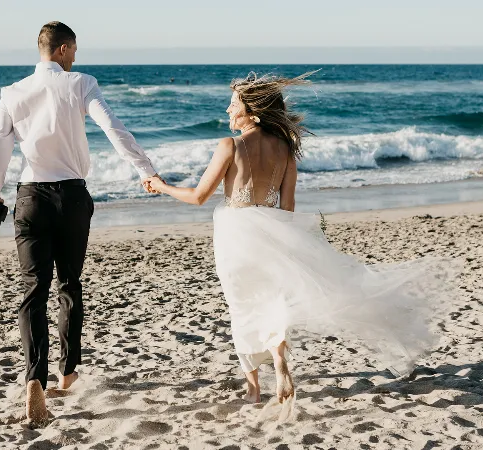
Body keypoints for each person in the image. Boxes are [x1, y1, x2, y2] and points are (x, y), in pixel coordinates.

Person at [147, 72, 455, 404]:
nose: (227, 111)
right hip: (272, 230)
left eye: (233, 104)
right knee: (272, 300)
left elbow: (198, 196)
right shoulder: (285, 149)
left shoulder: (230, 145)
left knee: (242, 305)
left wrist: (160, 185)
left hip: (235, 233)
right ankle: (279, 359)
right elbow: (287, 207)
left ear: (253, 112)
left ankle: (253, 388)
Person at [0, 21, 161, 424]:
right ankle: (69, 373)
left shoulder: (12, 93)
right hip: (73, 197)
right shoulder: (80, 83)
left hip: (30, 198)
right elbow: (112, 128)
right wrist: (145, 169)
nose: (76, 57)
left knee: (32, 290)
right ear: (63, 49)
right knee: (69, 284)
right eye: (74, 50)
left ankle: (34, 379)